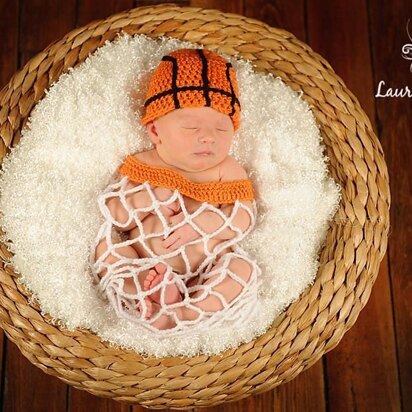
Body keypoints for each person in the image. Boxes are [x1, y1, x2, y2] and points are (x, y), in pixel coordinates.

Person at [91, 48, 260, 331]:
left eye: (222, 128)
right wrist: (151, 197)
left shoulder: (226, 169)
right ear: (156, 132)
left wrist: (201, 226)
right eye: (191, 127)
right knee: (105, 248)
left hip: (205, 268)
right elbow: (118, 216)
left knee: (242, 270)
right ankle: (149, 294)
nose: (207, 137)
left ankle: (184, 313)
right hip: (143, 261)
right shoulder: (145, 164)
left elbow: (243, 218)